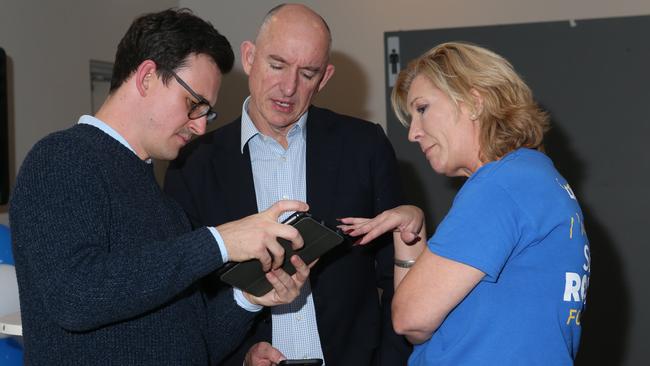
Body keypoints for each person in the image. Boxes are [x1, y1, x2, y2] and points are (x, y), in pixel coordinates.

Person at [9, 8, 313, 365]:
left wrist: (248, 297)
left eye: (207, 112)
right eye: (194, 104)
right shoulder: (61, 159)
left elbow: (194, 344)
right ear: (147, 77)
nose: (200, 127)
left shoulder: (165, 205)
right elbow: (75, 297)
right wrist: (220, 242)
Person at [164, 3, 411, 365]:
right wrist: (239, 356)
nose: (288, 87)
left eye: (307, 73)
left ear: (325, 78)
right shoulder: (193, 162)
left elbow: (396, 275)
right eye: (276, 65)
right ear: (249, 58)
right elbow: (184, 299)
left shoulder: (365, 147)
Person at [339, 42, 591, 365]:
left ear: (474, 102)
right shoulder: (535, 179)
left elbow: (407, 317)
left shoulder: (501, 185)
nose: (413, 133)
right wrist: (409, 235)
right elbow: (417, 330)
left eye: (422, 109)